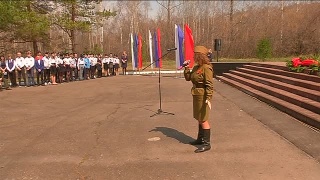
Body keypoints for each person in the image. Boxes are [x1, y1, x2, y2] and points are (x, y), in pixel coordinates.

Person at [183, 45, 214, 153]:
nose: (194, 57)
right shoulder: (197, 67)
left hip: (203, 96)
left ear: (200, 56)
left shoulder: (206, 68)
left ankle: (206, 143)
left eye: (196, 55)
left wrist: (208, 98)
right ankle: (200, 139)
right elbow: (188, 78)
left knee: (203, 119)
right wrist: (186, 68)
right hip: (196, 95)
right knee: (199, 118)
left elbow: (210, 85)